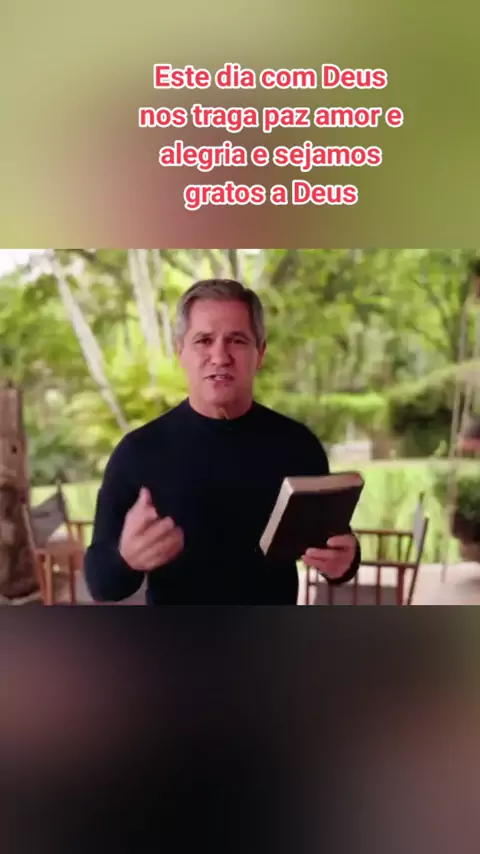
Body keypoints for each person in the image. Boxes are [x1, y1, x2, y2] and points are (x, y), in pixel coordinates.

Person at [84, 278, 360, 605]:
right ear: (180, 351)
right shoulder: (137, 452)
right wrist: (125, 559)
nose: (220, 356)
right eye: (203, 340)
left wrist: (346, 560)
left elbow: (333, 543)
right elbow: (99, 583)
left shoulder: (298, 445)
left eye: (237, 340)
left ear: (260, 353)